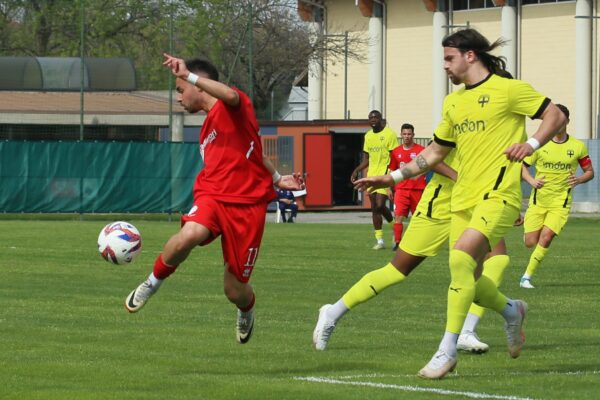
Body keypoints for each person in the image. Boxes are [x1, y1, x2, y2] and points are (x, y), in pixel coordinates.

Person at [352, 28, 566, 379]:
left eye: (449, 58)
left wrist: (531, 144)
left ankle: (447, 350)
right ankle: (512, 311)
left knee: (460, 258)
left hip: (499, 196)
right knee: (468, 275)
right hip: (462, 200)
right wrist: (391, 178)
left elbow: (554, 114)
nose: (445, 66)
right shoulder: (453, 102)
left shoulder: (508, 89)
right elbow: (435, 153)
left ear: (470, 56)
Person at [124, 54, 304, 346]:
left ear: (200, 86)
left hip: (247, 207)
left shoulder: (233, 106)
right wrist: (277, 177)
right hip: (212, 196)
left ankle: (247, 309)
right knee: (189, 234)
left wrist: (189, 75)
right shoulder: (207, 128)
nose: (180, 98)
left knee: (234, 290)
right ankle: (152, 283)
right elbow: (253, 150)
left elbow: (231, 95)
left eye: (181, 90)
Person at [313, 148, 513, 355]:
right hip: (440, 206)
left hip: (476, 204)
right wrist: (458, 177)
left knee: (495, 259)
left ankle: (467, 331)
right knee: (398, 270)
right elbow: (433, 156)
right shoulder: (459, 118)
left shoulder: (498, 126)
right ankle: (332, 312)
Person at [519, 104, 594, 289]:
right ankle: (530, 249)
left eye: (562, 119)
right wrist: (531, 181)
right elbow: (522, 166)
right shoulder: (539, 145)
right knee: (530, 242)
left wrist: (579, 179)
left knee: (546, 237)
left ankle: (526, 277)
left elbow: (590, 172)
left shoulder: (578, 147)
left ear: (566, 121)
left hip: (561, 202)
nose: (558, 123)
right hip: (538, 201)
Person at [351, 110, 397, 250]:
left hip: (385, 176)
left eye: (375, 117)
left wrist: (391, 176)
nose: (373, 119)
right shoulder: (368, 136)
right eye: (370, 118)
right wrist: (357, 170)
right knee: (375, 209)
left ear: (381, 119)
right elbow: (367, 159)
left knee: (379, 204)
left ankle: (396, 229)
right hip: (371, 176)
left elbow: (394, 157)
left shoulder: (389, 134)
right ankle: (380, 240)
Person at [388, 123, 427, 250]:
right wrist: (389, 187)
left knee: (418, 218)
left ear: (413, 135)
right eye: (404, 134)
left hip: (418, 189)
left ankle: (417, 243)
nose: (407, 136)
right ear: (401, 135)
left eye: (409, 134)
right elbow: (392, 170)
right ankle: (398, 242)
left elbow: (426, 167)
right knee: (398, 216)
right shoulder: (396, 152)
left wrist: (419, 173)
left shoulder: (420, 150)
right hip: (401, 189)